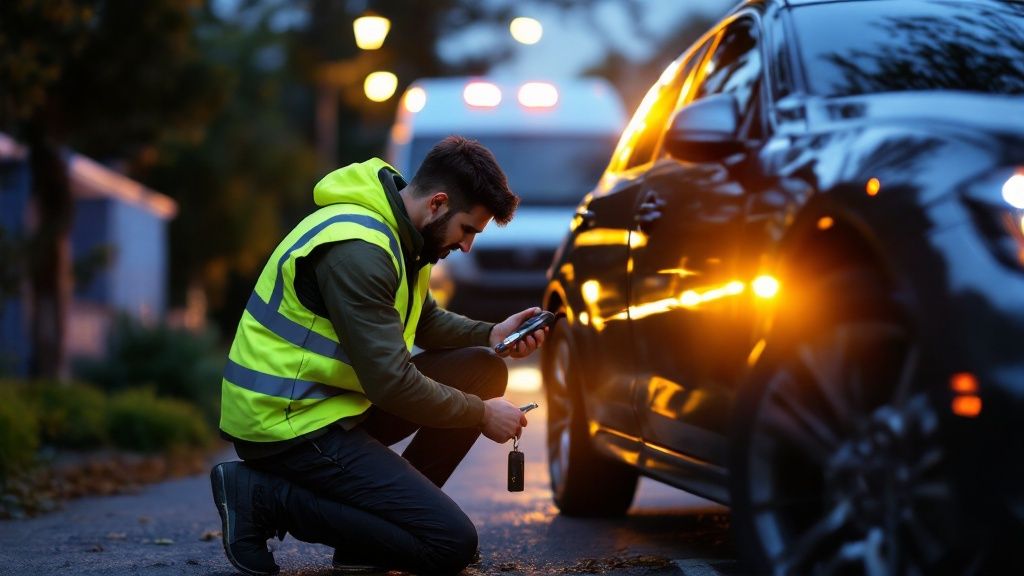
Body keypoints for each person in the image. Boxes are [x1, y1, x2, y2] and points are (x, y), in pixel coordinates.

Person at [209, 135, 547, 576]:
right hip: (286, 422)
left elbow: (422, 320)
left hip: (333, 407)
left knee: (482, 369)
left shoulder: (406, 236)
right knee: (449, 544)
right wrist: (481, 415)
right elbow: (391, 382)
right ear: (439, 204)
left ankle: (370, 541)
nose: (467, 247)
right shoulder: (359, 249)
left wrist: (491, 333)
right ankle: (262, 498)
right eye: (467, 230)